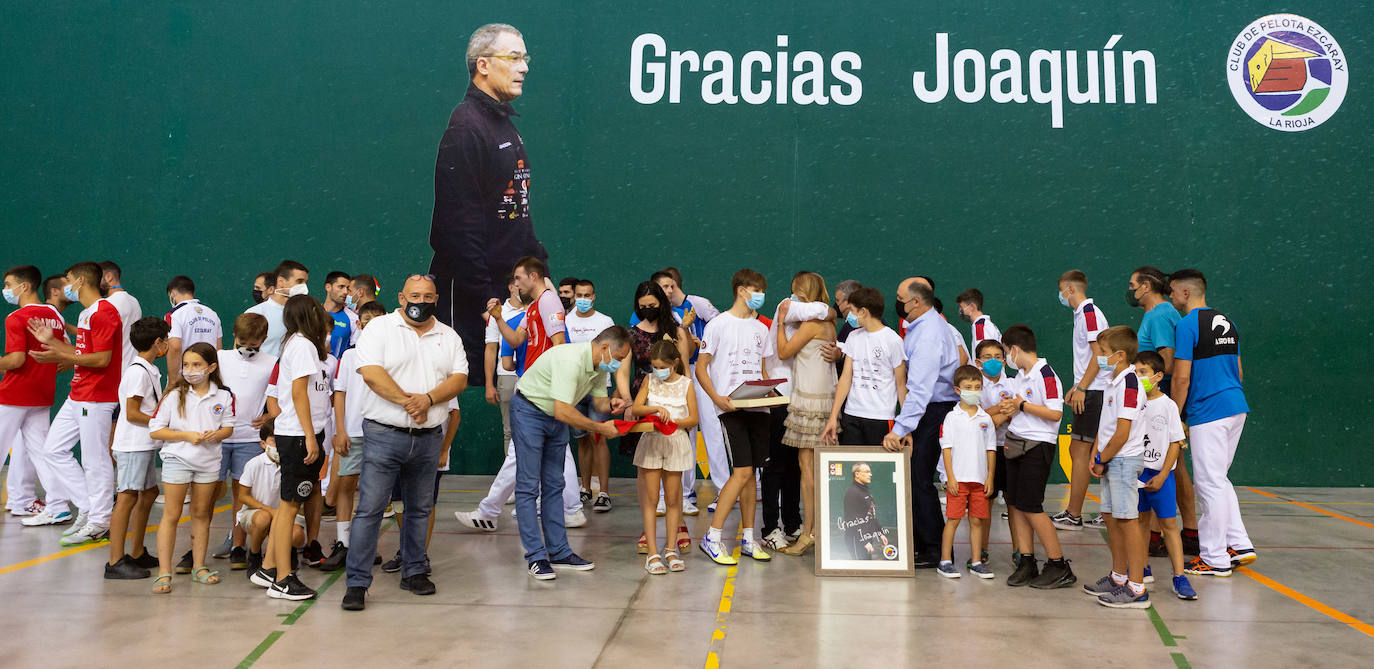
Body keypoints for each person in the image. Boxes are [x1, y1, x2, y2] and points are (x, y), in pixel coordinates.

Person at [340, 275, 469, 610]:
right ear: (401, 297)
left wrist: (427, 399)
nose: (421, 300)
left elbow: (459, 379)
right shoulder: (379, 329)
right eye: (414, 295)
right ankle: (356, 582)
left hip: (428, 439)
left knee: (419, 509)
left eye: (427, 295)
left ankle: (414, 571)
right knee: (369, 509)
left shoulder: (449, 336)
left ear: (437, 298)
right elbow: (371, 373)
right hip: (384, 434)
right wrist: (409, 402)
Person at [429, 23, 547, 380]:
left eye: (524, 57)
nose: (524, 66)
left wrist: (540, 273)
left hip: (507, 296)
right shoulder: (466, 127)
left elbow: (516, 211)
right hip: (476, 303)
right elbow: (459, 228)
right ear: (483, 65)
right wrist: (486, 301)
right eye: (513, 57)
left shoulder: (503, 124)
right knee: (478, 391)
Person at [506, 326, 628, 581]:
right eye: (618, 358)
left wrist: (612, 403)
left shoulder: (596, 366)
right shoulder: (570, 360)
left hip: (554, 417)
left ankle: (559, 551)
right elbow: (563, 411)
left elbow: (597, 403)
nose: (617, 365)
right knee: (529, 485)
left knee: (554, 484)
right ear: (605, 349)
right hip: (529, 410)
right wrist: (599, 428)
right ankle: (536, 557)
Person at [21, 263, 123, 537]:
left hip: (97, 396)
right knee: (53, 450)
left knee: (95, 459)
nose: (66, 286)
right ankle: (88, 507)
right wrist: (51, 342)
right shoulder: (88, 313)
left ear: (79, 282)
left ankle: (100, 521)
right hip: (78, 393)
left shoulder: (105, 312)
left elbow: (102, 359)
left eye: (68, 281)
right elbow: (79, 351)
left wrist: (61, 355)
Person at [1170, 269, 1256, 577]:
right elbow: (1239, 371)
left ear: (1186, 293)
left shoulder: (1187, 325)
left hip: (1210, 412)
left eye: (1172, 291)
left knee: (1208, 483)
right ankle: (1239, 544)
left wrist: (1175, 417)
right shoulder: (1228, 323)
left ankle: (1215, 558)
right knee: (1219, 479)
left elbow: (1181, 377)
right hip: (1236, 406)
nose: (1170, 296)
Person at [697, 269, 774, 566]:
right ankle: (712, 537)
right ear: (742, 290)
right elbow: (702, 367)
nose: (761, 296)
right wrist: (717, 398)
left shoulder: (760, 329)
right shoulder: (718, 324)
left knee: (752, 473)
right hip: (731, 407)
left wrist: (771, 392)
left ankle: (748, 538)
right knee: (741, 471)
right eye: (757, 290)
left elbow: (763, 371)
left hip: (759, 407)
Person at [882, 279, 958, 567]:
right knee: (916, 477)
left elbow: (921, 389)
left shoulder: (929, 334)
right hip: (928, 410)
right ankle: (921, 542)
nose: (898, 302)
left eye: (901, 298)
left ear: (915, 302)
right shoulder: (922, 327)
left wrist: (900, 429)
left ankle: (934, 548)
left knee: (920, 479)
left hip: (933, 410)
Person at [148, 342, 236, 593]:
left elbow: (228, 427)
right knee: (172, 515)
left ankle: (199, 566)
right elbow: (156, 430)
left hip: (209, 463)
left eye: (196, 365)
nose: (190, 370)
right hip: (177, 460)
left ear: (211, 367)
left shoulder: (224, 395)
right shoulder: (173, 395)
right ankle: (165, 572)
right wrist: (185, 436)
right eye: (186, 365)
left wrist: (217, 434)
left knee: (201, 514)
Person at [264, 294, 333, 601]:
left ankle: (273, 571)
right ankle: (282, 579)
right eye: (318, 311)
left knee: (287, 506)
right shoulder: (303, 344)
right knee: (291, 506)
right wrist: (309, 435)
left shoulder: (298, 344)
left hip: (298, 432)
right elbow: (299, 393)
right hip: (298, 436)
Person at [997, 324, 1077, 589]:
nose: (1007, 358)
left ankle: (1058, 564)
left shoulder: (1046, 375)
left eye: (1006, 352)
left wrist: (1022, 405)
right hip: (1015, 442)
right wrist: (1013, 407)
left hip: (1037, 446)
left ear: (1015, 350)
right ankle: (1026, 560)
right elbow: (1021, 407)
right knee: (1017, 505)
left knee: (1032, 506)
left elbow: (1055, 413)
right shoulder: (1021, 374)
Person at [1128, 265, 1199, 556]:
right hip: (1162, 398)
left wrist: (1143, 377)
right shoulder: (1161, 313)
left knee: (1173, 466)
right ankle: (1161, 533)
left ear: (1146, 286)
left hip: (1165, 398)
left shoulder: (1158, 315)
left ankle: (1188, 533)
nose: (1130, 289)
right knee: (1167, 465)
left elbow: (1167, 364)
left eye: (1133, 284)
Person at [1079, 326, 1152, 608]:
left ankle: (1137, 588)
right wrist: (1096, 452)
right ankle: (1118, 577)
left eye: (1104, 352)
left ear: (1120, 355)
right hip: (1110, 459)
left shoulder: (1130, 384)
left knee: (1127, 521)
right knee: (1111, 518)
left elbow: (1122, 432)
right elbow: (1107, 426)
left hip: (1122, 460)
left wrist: (1102, 458)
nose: (1099, 357)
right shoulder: (1112, 380)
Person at [624, 281, 692, 549]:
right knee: (646, 471)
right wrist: (629, 404)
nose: (648, 310)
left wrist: (683, 405)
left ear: (661, 304)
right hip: (643, 401)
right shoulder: (631, 334)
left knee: (674, 466)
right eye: (643, 307)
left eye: (652, 306)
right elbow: (622, 372)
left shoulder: (676, 331)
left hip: (674, 404)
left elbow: (685, 368)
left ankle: (679, 524)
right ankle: (647, 527)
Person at [774, 272, 837, 557]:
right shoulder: (829, 323)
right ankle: (816, 531)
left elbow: (785, 351)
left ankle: (810, 533)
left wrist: (778, 324)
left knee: (808, 471)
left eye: (796, 293)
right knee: (817, 470)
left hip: (809, 399)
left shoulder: (812, 324)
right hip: (825, 398)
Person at [320, 300, 386, 571]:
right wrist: (340, 431)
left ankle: (367, 546)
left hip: (383, 432)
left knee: (375, 492)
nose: (371, 326)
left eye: (377, 321)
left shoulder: (391, 354)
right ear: (358, 324)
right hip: (353, 433)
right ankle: (344, 544)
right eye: (366, 321)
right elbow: (340, 394)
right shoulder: (348, 356)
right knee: (346, 487)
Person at [105, 317, 170, 579]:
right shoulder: (136, 373)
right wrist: (162, 422)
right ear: (158, 343)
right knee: (128, 497)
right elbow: (132, 413)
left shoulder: (149, 369)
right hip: (133, 445)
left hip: (144, 444)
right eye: (165, 340)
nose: (167, 344)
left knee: (150, 492)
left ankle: (136, 550)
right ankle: (115, 561)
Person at [212, 313, 277, 567]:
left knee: (242, 494)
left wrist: (269, 415)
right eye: (242, 341)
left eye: (253, 343)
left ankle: (239, 545)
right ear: (233, 336)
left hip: (249, 438)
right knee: (209, 494)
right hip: (217, 437)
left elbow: (276, 396)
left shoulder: (272, 362)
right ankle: (196, 549)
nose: (246, 348)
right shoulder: (219, 358)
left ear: (264, 339)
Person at [1, 265, 66, 517]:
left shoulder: (15, 318)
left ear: (24, 286)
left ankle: (32, 501)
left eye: (8, 285)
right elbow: (64, 355)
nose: (5, 290)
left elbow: (16, 360)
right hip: (41, 394)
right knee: (40, 453)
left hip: (14, 394)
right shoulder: (55, 316)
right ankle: (52, 504)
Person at [1133, 351, 1197, 600]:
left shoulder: (1168, 406)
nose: (1138, 377)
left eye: (1143, 372)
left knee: (1170, 526)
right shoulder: (1133, 402)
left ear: (1158, 376)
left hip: (1161, 477)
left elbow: (1175, 443)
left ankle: (1179, 577)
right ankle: (1141, 568)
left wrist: (1161, 475)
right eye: (1135, 372)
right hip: (1136, 473)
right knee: (1139, 523)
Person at [632, 340, 699, 574]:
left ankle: (671, 550)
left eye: (662, 366)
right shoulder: (649, 381)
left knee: (673, 500)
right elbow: (635, 409)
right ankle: (652, 553)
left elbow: (693, 419)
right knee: (651, 500)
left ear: (675, 364)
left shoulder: (687, 384)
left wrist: (673, 422)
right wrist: (655, 410)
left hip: (676, 442)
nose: (657, 370)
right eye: (654, 366)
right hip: (651, 443)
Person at [1054, 270, 1112, 531]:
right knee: (1086, 451)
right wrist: (1077, 386)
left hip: (1095, 392)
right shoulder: (1083, 315)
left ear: (1069, 289)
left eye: (1061, 291)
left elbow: (1100, 354)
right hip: (1090, 390)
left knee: (1080, 451)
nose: (1061, 296)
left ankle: (1073, 514)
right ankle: (1108, 512)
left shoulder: (1089, 313)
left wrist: (1084, 388)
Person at [822, 287, 906, 446]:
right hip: (851, 415)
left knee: (878, 469)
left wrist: (905, 427)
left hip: (881, 418)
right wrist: (833, 417)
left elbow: (901, 385)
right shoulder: (853, 337)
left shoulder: (893, 341)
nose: (850, 316)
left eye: (852, 311)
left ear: (863, 312)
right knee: (852, 468)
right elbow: (846, 379)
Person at [937, 365, 997, 579]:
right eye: (968, 387)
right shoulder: (952, 417)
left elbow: (991, 449)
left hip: (979, 481)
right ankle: (945, 561)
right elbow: (946, 449)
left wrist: (989, 477)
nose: (974, 390)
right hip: (958, 480)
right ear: (957, 390)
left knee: (977, 521)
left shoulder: (986, 419)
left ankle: (977, 561)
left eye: (977, 386)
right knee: (953, 519)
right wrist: (950, 477)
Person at [564, 278, 617, 510]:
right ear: (573, 296)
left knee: (599, 438)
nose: (583, 300)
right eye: (579, 296)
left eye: (588, 296)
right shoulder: (565, 320)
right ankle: (584, 488)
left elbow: (613, 355)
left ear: (594, 296)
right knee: (581, 440)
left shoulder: (605, 321)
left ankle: (603, 492)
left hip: (599, 387)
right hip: (574, 389)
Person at [243, 420, 309, 588]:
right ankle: (255, 555)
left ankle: (288, 553)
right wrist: (272, 511)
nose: (277, 444)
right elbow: (243, 497)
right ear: (263, 443)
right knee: (263, 519)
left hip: (282, 514)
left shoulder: (291, 465)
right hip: (257, 512)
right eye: (273, 440)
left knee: (297, 534)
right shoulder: (254, 464)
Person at [973, 339, 1018, 565]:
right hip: (985, 451)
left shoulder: (1014, 385)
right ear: (978, 362)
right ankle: (981, 551)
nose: (993, 361)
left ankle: (1020, 551)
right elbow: (976, 419)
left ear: (1005, 360)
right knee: (984, 503)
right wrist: (1003, 410)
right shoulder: (974, 387)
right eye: (987, 357)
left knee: (1014, 503)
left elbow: (1018, 412)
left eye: (998, 357)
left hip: (1011, 448)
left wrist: (993, 417)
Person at [245, 260, 310, 357]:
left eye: (305, 282)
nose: (304, 287)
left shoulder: (307, 315)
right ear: (281, 282)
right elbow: (241, 352)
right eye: (299, 281)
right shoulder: (254, 313)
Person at [165, 275, 223, 380]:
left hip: (185, 378)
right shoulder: (213, 314)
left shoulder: (173, 315)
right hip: (209, 376)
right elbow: (219, 349)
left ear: (172, 293)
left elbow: (175, 347)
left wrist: (173, 381)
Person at [98, 261, 142, 373]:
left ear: (109, 277)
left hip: (116, 374)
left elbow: (95, 334)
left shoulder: (106, 305)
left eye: (98, 278)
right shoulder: (134, 301)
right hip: (132, 370)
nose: (95, 283)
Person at [841, 462, 887, 560]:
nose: (870, 474)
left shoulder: (865, 491)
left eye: (870, 472)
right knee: (859, 570)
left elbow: (871, 515)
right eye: (866, 472)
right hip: (856, 539)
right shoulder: (852, 493)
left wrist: (880, 533)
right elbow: (851, 520)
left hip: (867, 537)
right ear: (857, 474)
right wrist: (864, 542)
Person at [322, 271, 360, 359]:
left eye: (348, 289)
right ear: (328, 287)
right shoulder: (312, 313)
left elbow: (355, 352)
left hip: (339, 371)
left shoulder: (354, 319)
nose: (345, 292)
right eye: (341, 287)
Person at [956, 288, 1002, 354]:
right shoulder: (984, 325)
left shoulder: (980, 327)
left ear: (972, 306)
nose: (960, 310)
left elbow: (985, 355)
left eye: (961, 307)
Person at [42, 273, 79, 337]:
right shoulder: (41, 319)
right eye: (70, 287)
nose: (75, 290)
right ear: (55, 291)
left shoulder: (59, 321)